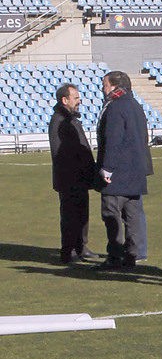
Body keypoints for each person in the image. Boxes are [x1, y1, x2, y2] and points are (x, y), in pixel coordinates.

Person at [95, 70, 151, 271]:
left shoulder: (115, 107)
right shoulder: (135, 105)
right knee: (133, 216)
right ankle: (133, 253)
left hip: (118, 174)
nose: (103, 88)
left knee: (112, 214)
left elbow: (113, 140)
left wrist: (107, 168)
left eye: (105, 84)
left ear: (114, 86)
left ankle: (115, 255)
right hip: (135, 172)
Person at [47, 82, 98, 264]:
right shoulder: (59, 121)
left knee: (82, 214)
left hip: (80, 177)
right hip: (70, 179)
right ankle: (68, 251)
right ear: (64, 100)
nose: (79, 101)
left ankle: (81, 246)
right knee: (70, 216)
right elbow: (60, 154)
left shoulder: (71, 119)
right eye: (75, 98)